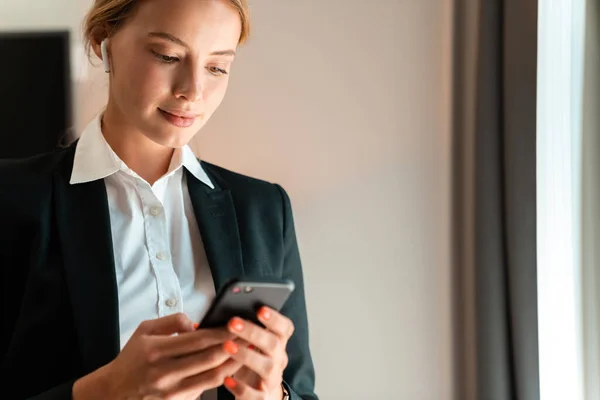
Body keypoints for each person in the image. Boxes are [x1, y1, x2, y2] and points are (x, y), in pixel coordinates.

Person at [0, 0, 318, 399]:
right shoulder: (12, 200)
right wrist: (104, 390)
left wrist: (273, 395)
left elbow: (303, 390)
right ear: (104, 41)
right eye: (168, 55)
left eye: (217, 66)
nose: (193, 91)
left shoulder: (264, 209)